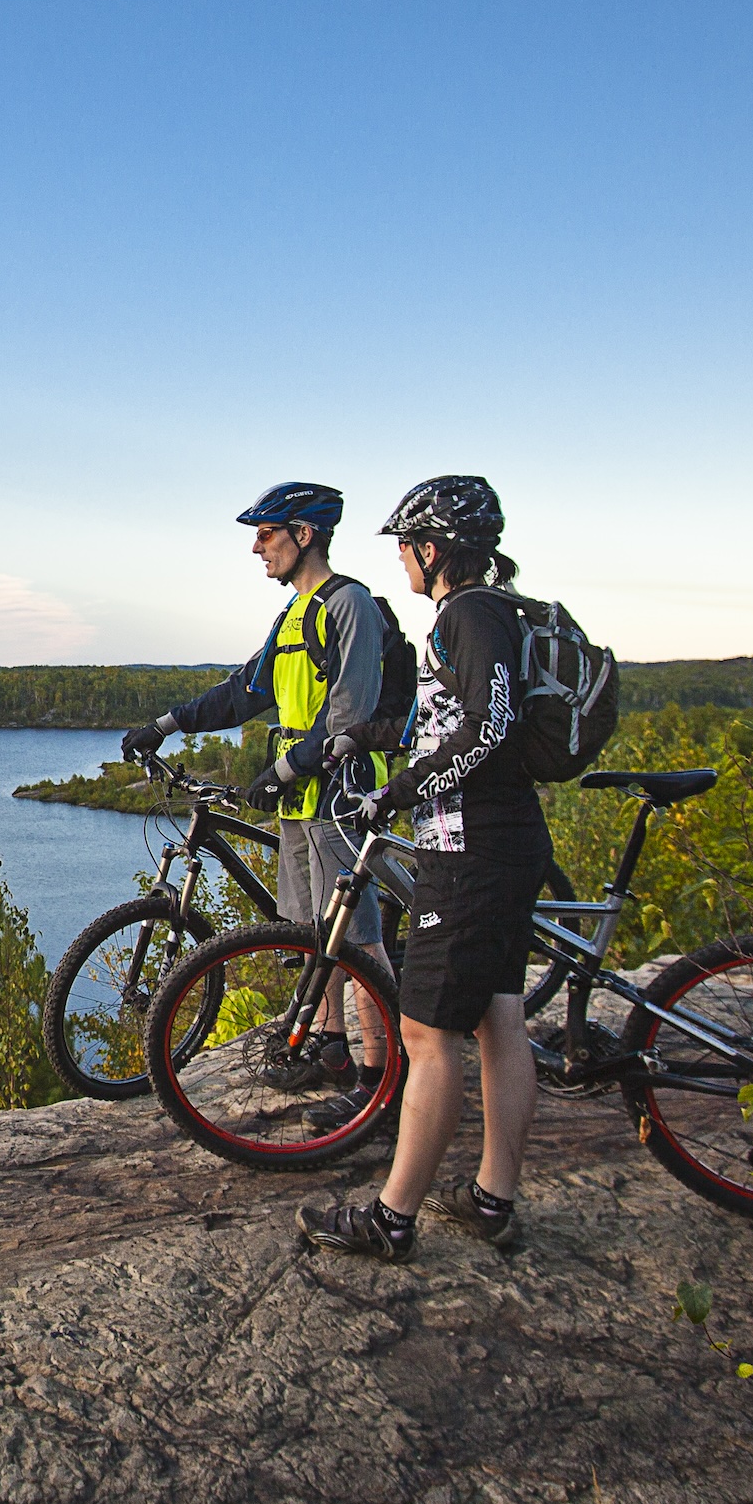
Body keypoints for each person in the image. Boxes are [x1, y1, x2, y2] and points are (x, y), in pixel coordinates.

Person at [308, 474, 553, 1262]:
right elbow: (454, 726)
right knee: (499, 1015)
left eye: (406, 546)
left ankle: (392, 1217)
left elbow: (487, 728)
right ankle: (490, 1199)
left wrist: (401, 791)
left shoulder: (468, 614)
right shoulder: (486, 614)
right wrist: (382, 748)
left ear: (433, 549)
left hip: (469, 849)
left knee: (427, 1030)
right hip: (505, 840)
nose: (401, 561)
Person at [120, 482, 395, 1091]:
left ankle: (380, 1079)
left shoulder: (350, 605)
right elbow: (243, 692)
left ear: (306, 535)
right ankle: (330, 1047)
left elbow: (351, 712)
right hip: (300, 797)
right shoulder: (293, 614)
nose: (255, 548)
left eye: (267, 534)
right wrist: (165, 725)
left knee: (356, 937)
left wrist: (287, 769)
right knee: (306, 933)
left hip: (340, 794)